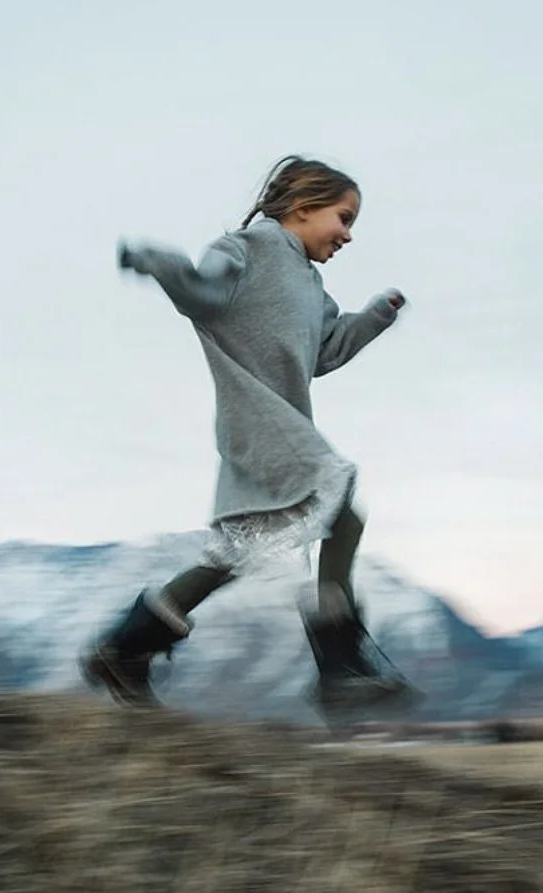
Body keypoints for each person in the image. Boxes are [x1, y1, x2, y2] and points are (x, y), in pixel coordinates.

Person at [81, 155, 418, 716]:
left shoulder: (314, 287)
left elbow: (325, 351)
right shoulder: (248, 249)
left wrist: (375, 317)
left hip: (281, 424)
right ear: (304, 207)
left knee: (233, 552)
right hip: (254, 420)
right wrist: (153, 261)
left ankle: (124, 649)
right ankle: (340, 666)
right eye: (345, 217)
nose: (349, 235)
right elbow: (201, 293)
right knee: (341, 495)